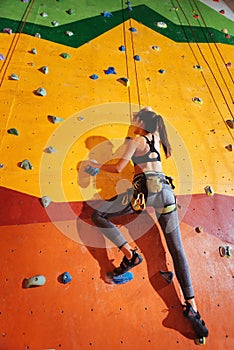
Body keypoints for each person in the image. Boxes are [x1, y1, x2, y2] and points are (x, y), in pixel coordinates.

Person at [87, 108, 208, 340]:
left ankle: (130, 253)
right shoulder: (158, 138)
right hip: (167, 193)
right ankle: (191, 305)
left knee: (98, 216)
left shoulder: (135, 140)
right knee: (176, 250)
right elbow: (151, 123)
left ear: (140, 122)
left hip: (145, 192)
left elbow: (118, 168)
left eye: (134, 119)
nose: (131, 123)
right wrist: (145, 119)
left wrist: (96, 165)